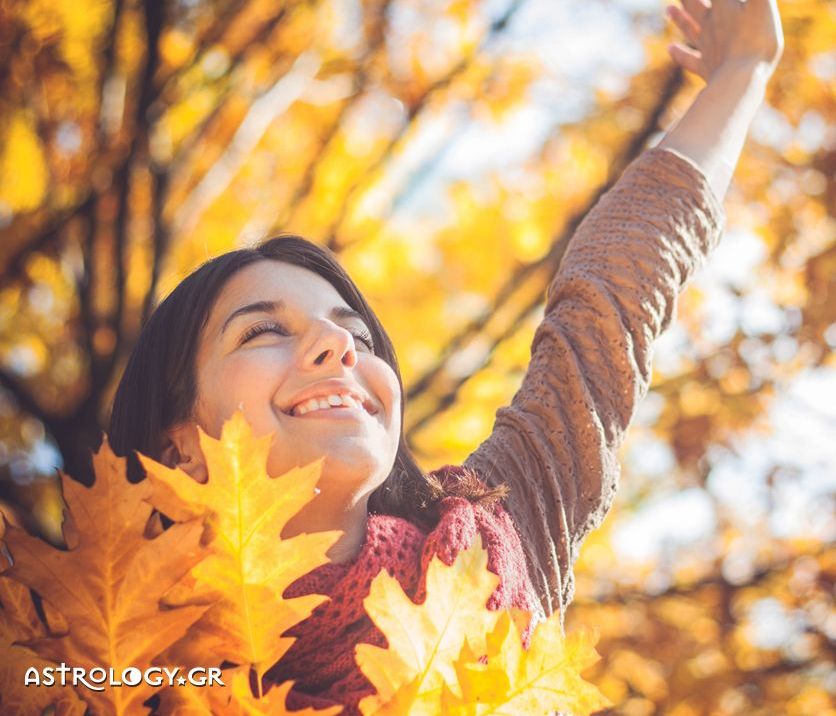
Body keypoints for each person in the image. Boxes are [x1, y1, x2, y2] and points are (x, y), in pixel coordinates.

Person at [108, 0, 783, 712]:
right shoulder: (105, 663)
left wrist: (743, 71)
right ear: (178, 446)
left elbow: (610, 298)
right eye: (262, 332)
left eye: (357, 337)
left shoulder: (500, 535)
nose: (336, 345)